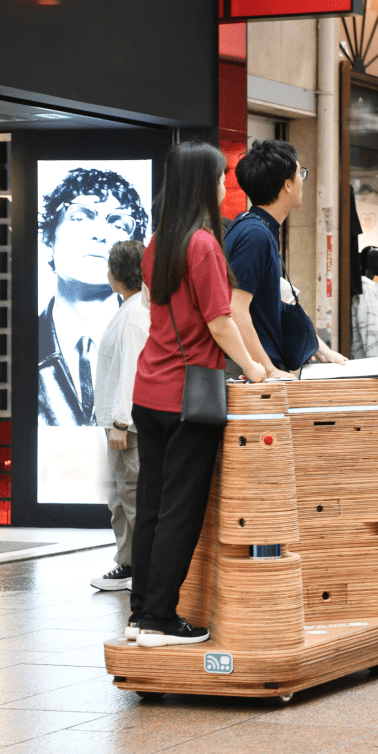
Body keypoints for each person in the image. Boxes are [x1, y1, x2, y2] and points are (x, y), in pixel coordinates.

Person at [127, 142, 266, 647]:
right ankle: (159, 619)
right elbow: (219, 320)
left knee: (152, 507)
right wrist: (252, 368)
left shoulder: (157, 244)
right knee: (180, 510)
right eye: (218, 176)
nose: (223, 185)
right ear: (199, 183)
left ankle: (140, 610)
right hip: (190, 397)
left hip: (150, 391)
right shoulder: (203, 244)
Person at [225, 139, 346, 379]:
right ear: (287, 185)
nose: (303, 180)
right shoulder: (255, 235)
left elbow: (274, 301)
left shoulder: (255, 227)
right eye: (300, 173)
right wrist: (269, 370)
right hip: (251, 374)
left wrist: (321, 348)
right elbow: (235, 309)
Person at [37, 168, 148, 426]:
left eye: (118, 223)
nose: (100, 233)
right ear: (48, 237)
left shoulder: (148, 328)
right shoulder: (22, 342)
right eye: (80, 217)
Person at [90, 239, 150, 592]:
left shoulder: (134, 315)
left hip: (126, 427)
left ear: (114, 275)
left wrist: (120, 422)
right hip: (120, 424)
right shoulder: (133, 308)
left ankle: (139, 569)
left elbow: (131, 370)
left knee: (132, 496)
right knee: (122, 497)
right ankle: (128, 563)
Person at [351, 246, 378, 359]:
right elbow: (371, 330)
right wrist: (376, 364)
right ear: (370, 262)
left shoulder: (368, 287)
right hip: (367, 362)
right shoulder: (366, 289)